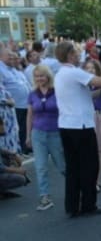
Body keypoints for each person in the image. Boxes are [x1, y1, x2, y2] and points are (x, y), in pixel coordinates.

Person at [53, 41, 101, 217]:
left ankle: (72, 206)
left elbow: (82, 95)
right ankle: (88, 204)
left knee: (73, 167)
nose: (78, 54)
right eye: (75, 52)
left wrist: (97, 94)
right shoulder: (74, 72)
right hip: (81, 125)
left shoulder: (60, 74)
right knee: (90, 165)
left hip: (66, 124)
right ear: (69, 55)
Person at [23, 65, 65, 211]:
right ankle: (45, 197)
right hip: (38, 133)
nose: (39, 79)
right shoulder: (32, 94)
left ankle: (76, 187)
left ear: (48, 76)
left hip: (55, 133)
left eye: (42, 75)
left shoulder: (57, 92)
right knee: (40, 167)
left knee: (62, 165)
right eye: (37, 76)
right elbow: (30, 115)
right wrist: (28, 135)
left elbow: (64, 111)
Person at [0, 47, 30, 155]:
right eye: (9, 55)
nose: (12, 57)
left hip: (25, 104)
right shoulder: (1, 69)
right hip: (13, 106)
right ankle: (20, 150)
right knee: (18, 129)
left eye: (13, 56)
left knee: (25, 127)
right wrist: (7, 101)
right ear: (1, 56)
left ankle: (25, 148)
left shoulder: (14, 69)